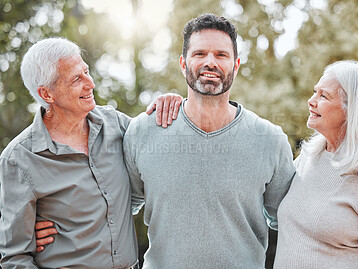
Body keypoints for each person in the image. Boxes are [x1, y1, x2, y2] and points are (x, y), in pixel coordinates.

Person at [123, 14, 295, 269]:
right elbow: (116, 208)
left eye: (221, 55)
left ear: (236, 65)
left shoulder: (270, 140)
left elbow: (294, 222)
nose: (210, 63)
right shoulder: (143, 132)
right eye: (200, 54)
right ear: (183, 63)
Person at [0, 37, 182, 268]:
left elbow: (158, 142)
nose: (90, 83)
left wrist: (171, 102)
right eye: (77, 79)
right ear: (47, 94)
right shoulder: (18, 159)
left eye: (86, 72)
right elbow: (15, 258)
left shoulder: (116, 124)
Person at [274, 60, 358, 268]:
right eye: (315, 92)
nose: (311, 101)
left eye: (323, 96)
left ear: (352, 109)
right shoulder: (309, 156)